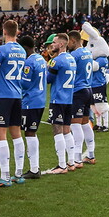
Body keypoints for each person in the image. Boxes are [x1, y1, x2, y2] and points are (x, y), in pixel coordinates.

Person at [0, 20, 27, 187]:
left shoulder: (1, 50)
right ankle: (18, 173)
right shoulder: (22, 50)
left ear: (4, 32)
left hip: (3, 95)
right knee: (16, 133)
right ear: (17, 32)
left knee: (0, 134)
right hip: (17, 95)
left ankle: (4, 176)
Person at [44, 33, 76, 175]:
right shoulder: (72, 59)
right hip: (69, 99)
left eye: (55, 42)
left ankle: (61, 165)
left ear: (61, 44)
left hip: (58, 99)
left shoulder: (57, 61)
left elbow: (48, 79)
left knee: (57, 131)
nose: (52, 45)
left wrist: (46, 67)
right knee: (67, 131)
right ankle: (72, 162)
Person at [18, 35, 47, 178]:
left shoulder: (29, 62)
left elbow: (25, 83)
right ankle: (34, 167)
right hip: (40, 100)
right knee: (31, 132)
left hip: (30, 101)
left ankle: (34, 169)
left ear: (25, 48)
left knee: (29, 133)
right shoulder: (41, 58)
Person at [67, 31, 96, 167]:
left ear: (73, 40)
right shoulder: (87, 52)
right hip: (88, 89)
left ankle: (77, 158)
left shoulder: (75, 55)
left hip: (78, 90)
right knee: (85, 123)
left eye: (69, 42)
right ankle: (91, 154)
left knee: (75, 124)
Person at [82, 22, 109, 132]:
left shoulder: (102, 59)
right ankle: (98, 124)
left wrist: (86, 60)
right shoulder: (96, 58)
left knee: (101, 105)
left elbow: (94, 67)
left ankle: (106, 125)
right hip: (92, 84)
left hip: (99, 84)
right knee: (94, 106)